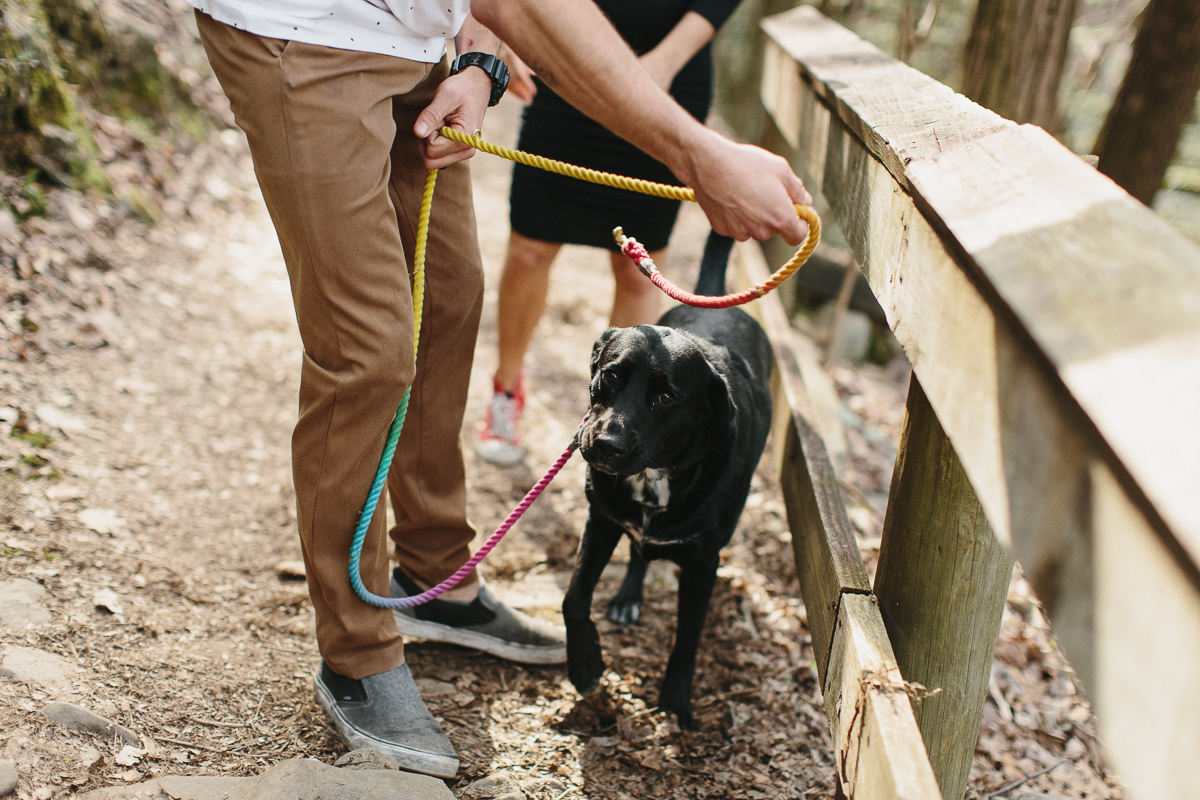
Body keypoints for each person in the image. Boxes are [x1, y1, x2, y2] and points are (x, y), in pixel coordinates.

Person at [189, 0, 811, 780]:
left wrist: (478, 56)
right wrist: (697, 152)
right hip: (303, 37)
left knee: (448, 300)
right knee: (368, 354)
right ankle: (354, 649)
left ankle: (433, 575)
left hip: (419, 43)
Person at [478, 0, 742, 466]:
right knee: (528, 250)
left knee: (636, 271)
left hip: (669, 80)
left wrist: (657, 67)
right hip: (564, 61)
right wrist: (510, 31)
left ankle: (622, 419)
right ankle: (505, 391)